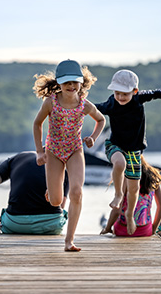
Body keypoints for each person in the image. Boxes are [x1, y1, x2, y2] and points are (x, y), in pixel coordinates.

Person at [96, 69, 161, 235]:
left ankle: (129, 215)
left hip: (134, 149)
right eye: (117, 93)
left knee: (134, 188)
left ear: (134, 91)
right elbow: (96, 108)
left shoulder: (139, 98)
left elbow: (159, 92)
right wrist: (78, 105)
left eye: (125, 94)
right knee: (120, 163)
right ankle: (117, 195)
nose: (121, 97)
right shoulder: (112, 103)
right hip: (115, 145)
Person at [33, 59, 105, 252]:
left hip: (75, 150)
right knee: (56, 201)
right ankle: (53, 192)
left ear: (81, 82)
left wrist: (93, 138)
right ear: (59, 83)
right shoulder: (51, 103)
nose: (71, 86)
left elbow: (101, 119)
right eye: (66, 83)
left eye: (75, 82)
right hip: (54, 151)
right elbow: (37, 124)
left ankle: (69, 240)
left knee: (76, 193)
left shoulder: (84, 105)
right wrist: (40, 151)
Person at [0, 151, 69, 235]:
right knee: (63, 213)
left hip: (15, 224)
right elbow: (61, 204)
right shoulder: (61, 167)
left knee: (5, 217)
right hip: (51, 225)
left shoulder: (16, 159)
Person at [100, 155, 161, 237]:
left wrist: (107, 228)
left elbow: (117, 210)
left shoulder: (126, 177)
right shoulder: (153, 176)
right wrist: (153, 229)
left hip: (123, 230)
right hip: (145, 230)